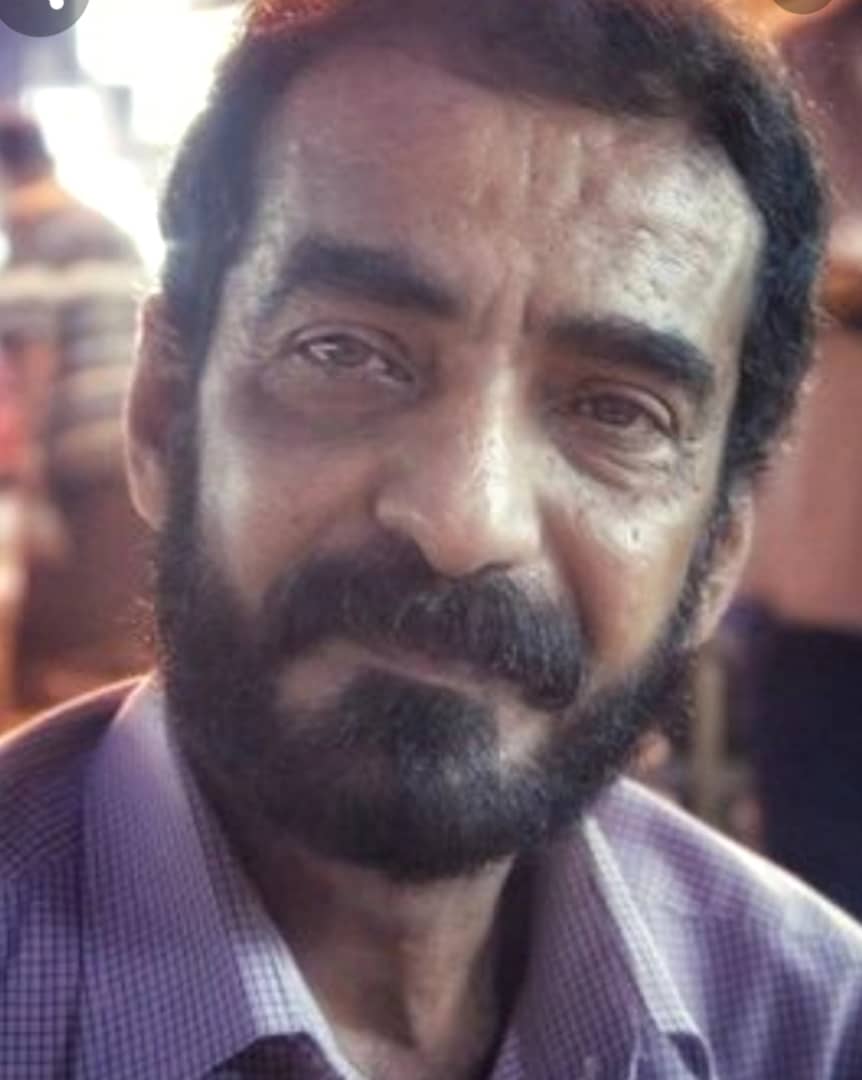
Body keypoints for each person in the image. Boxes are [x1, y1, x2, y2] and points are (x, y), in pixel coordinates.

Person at [2, 1, 861, 1077]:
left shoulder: (811, 1027)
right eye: (346, 353)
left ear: (721, 541)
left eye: (616, 412)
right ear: (162, 414)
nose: (465, 523)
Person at [0, 111, 150, 709]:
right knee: (117, 624)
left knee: (58, 648)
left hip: (76, 454)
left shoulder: (39, 241)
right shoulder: (105, 231)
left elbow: (34, 359)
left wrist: (28, 469)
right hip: (133, 438)